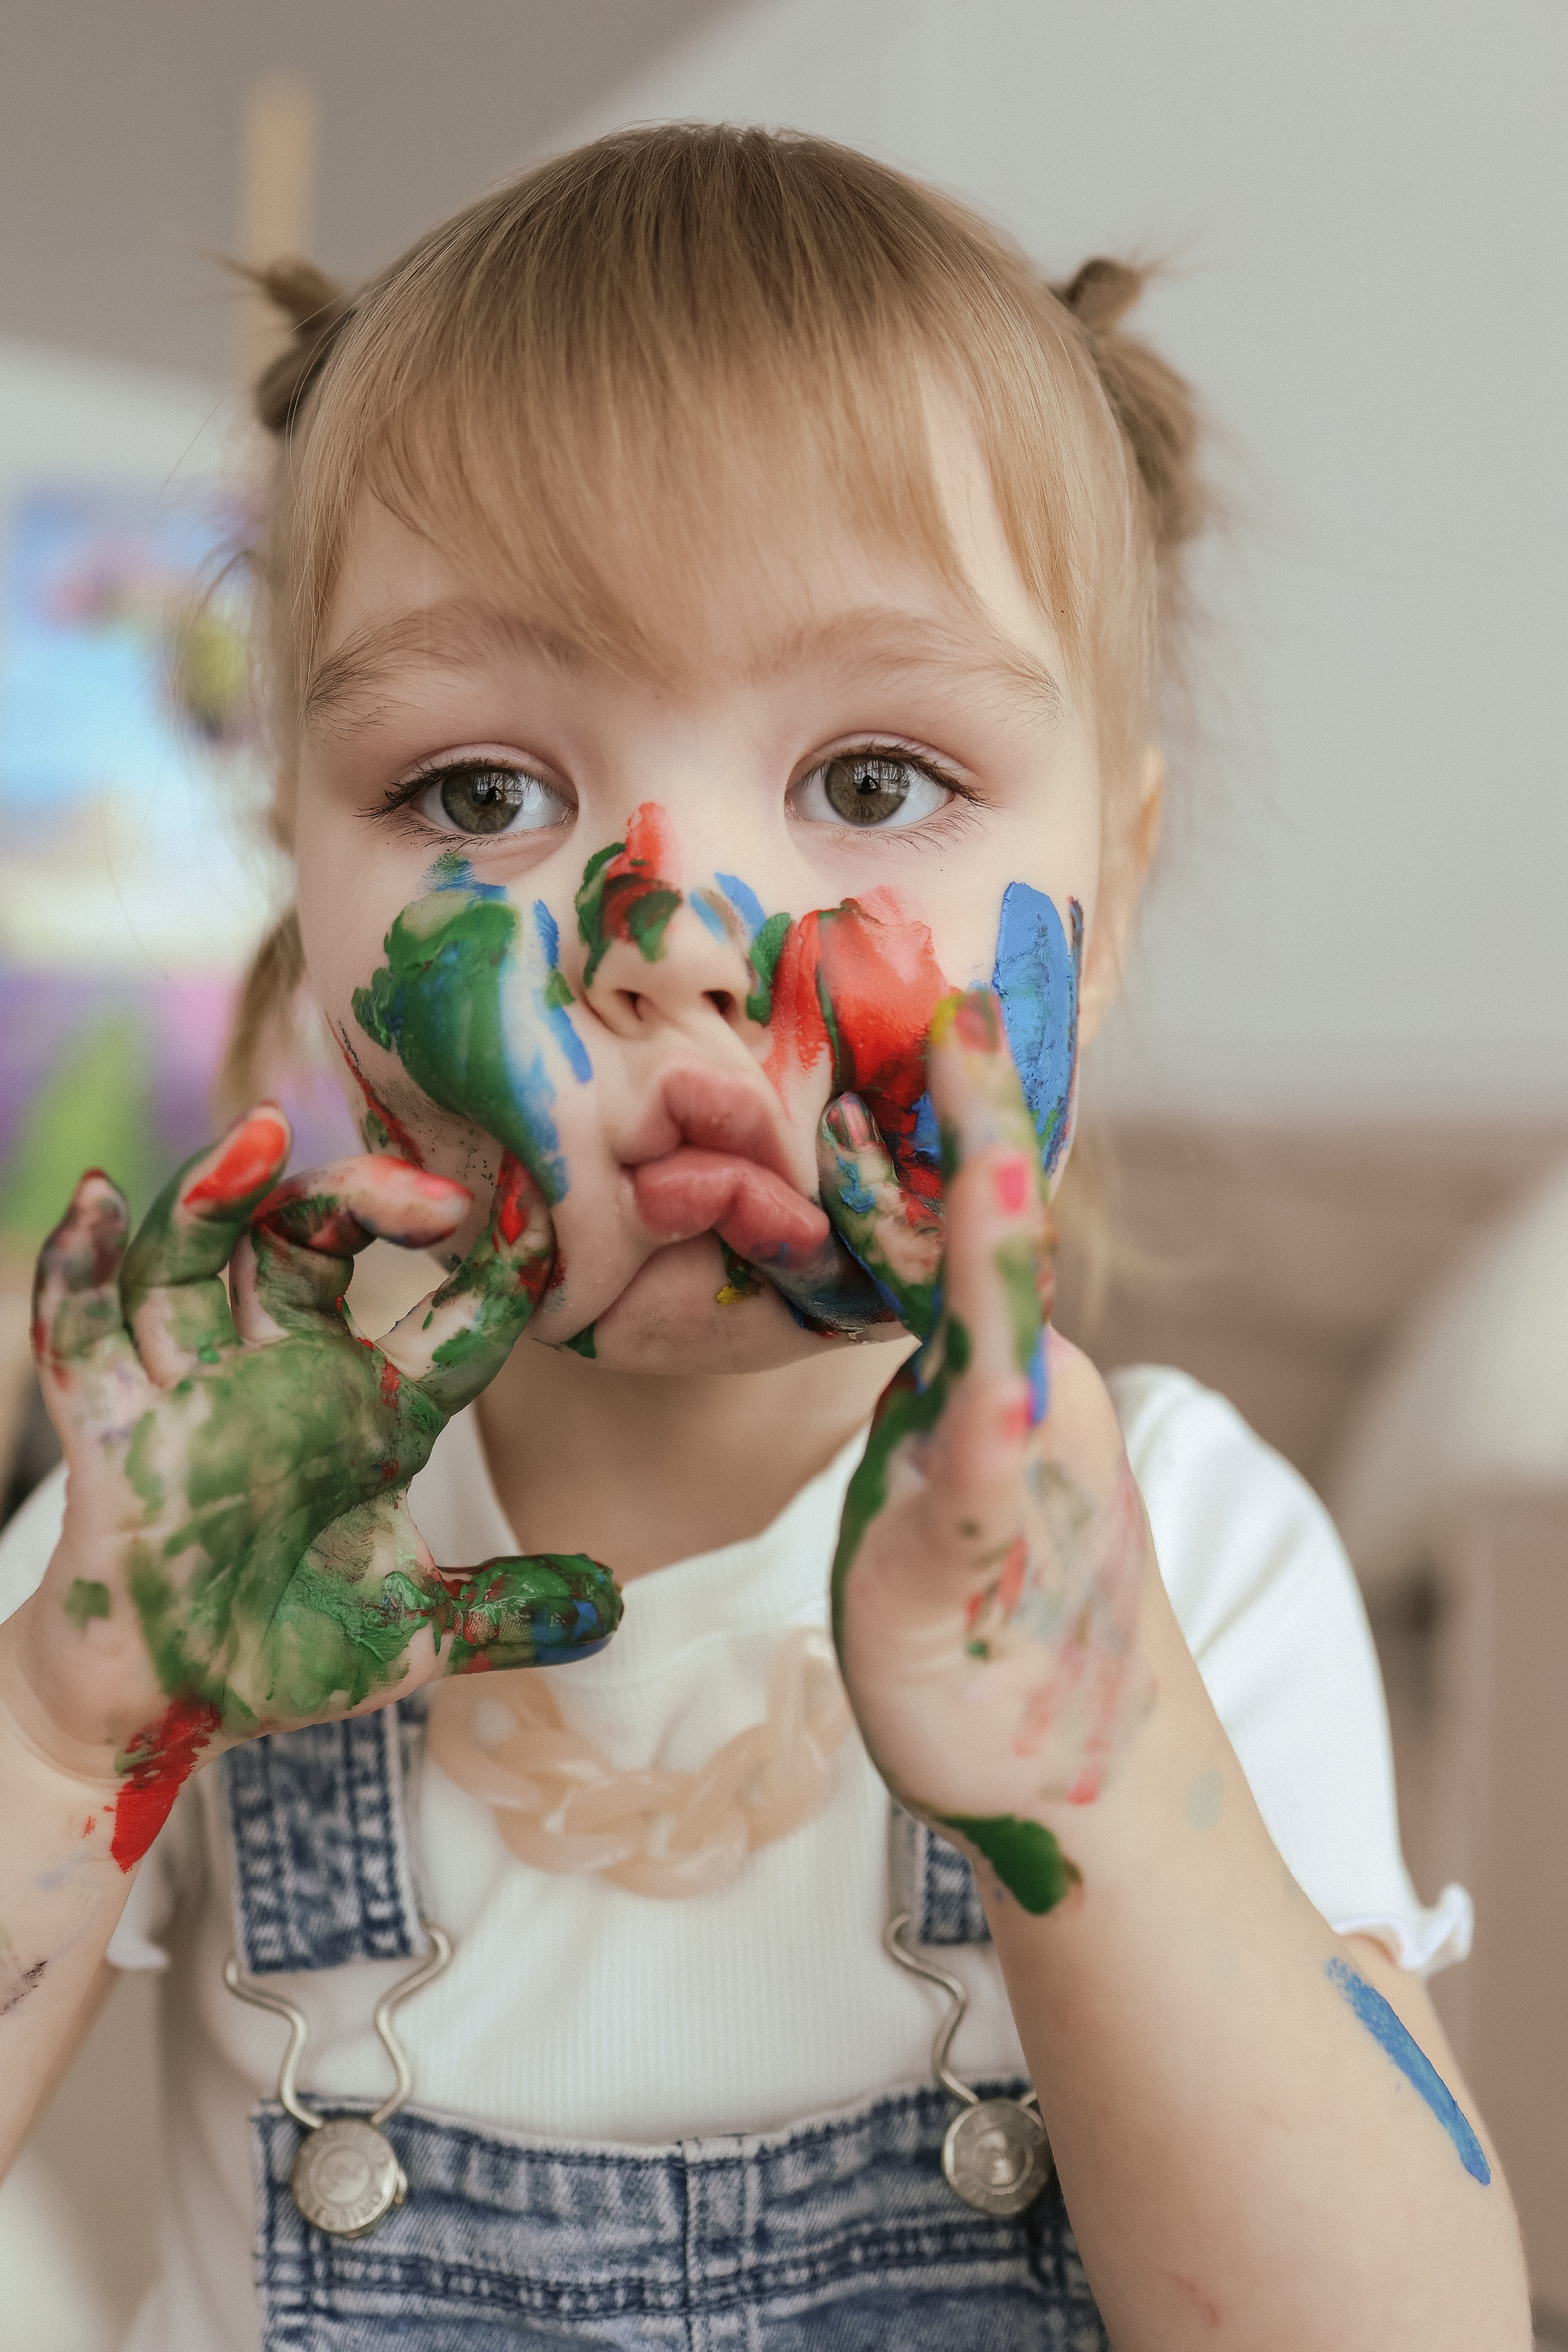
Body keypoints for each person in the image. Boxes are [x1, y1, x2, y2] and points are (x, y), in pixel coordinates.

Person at [0, 125, 1529, 2350]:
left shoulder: (1169, 1551)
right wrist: (67, 1732)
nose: (676, 936)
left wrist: (1097, 1787)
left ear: (1107, 892)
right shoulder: (189, 1551)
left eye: (877, 780)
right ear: (300, 880)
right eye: (478, 795)